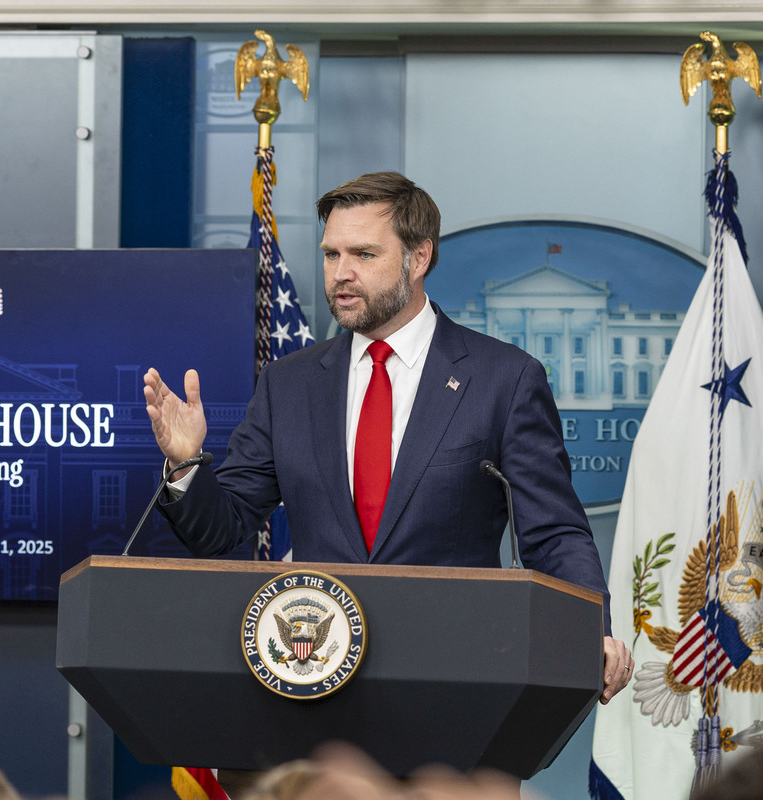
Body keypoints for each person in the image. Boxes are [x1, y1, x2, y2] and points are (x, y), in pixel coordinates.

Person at [144, 171, 631, 702]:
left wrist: (591, 632)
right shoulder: (289, 383)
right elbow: (224, 528)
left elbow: (554, 534)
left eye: (364, 255)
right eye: (331, 255)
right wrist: (187, 463)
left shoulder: (504, 380)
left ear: (418, 259)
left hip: (457, 689)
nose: (341, 274)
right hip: (314, 685)